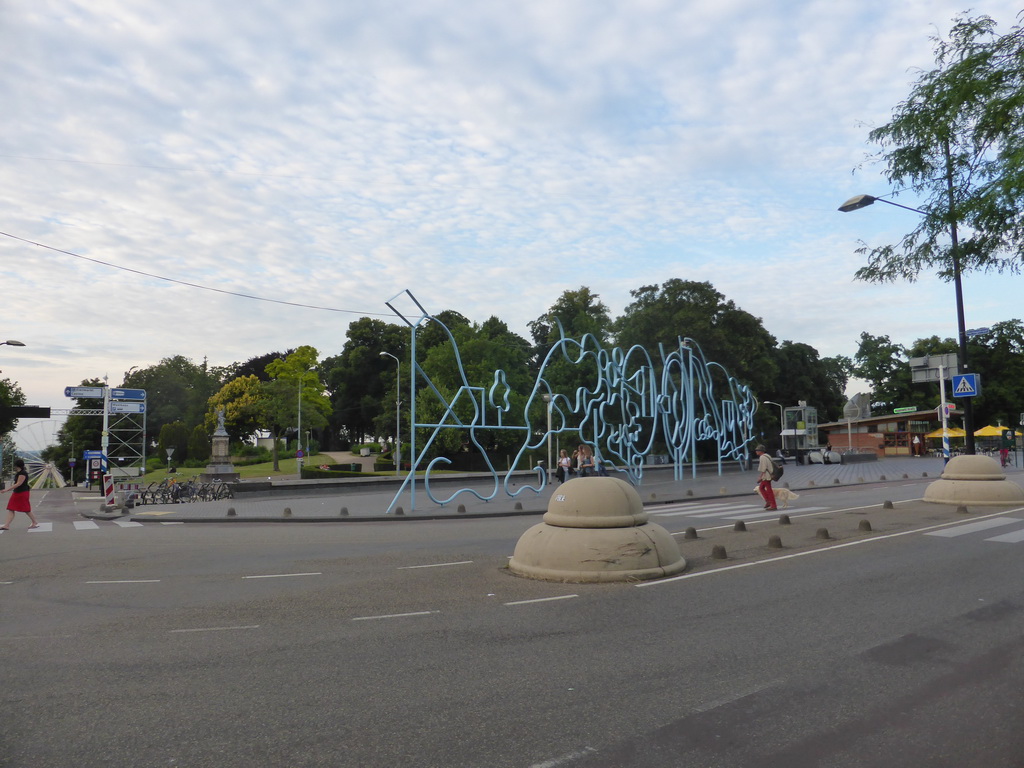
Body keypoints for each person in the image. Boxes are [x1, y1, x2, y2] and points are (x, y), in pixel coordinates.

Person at [2, 459, 40, 531]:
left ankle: (34, 522)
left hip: (21, 493)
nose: (14, 467)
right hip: (18, 492)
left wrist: (7, 490)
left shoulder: (22, 473)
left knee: (25, 509)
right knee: (11, 508)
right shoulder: (19, 473)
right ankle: (6, 525)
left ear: (17, 465)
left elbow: (19, 483)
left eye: (15, 465)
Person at [755, 445, 777, 511]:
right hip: (769, 474)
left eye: (757, 450)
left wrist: (760, 477)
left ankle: (773, 504)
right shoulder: (767, 455)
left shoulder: (762, 457)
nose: (756, 452)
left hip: (766, 476)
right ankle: (768, 501)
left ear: (760, 451)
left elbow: (763, 468)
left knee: (768, 490)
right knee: (761, 488)